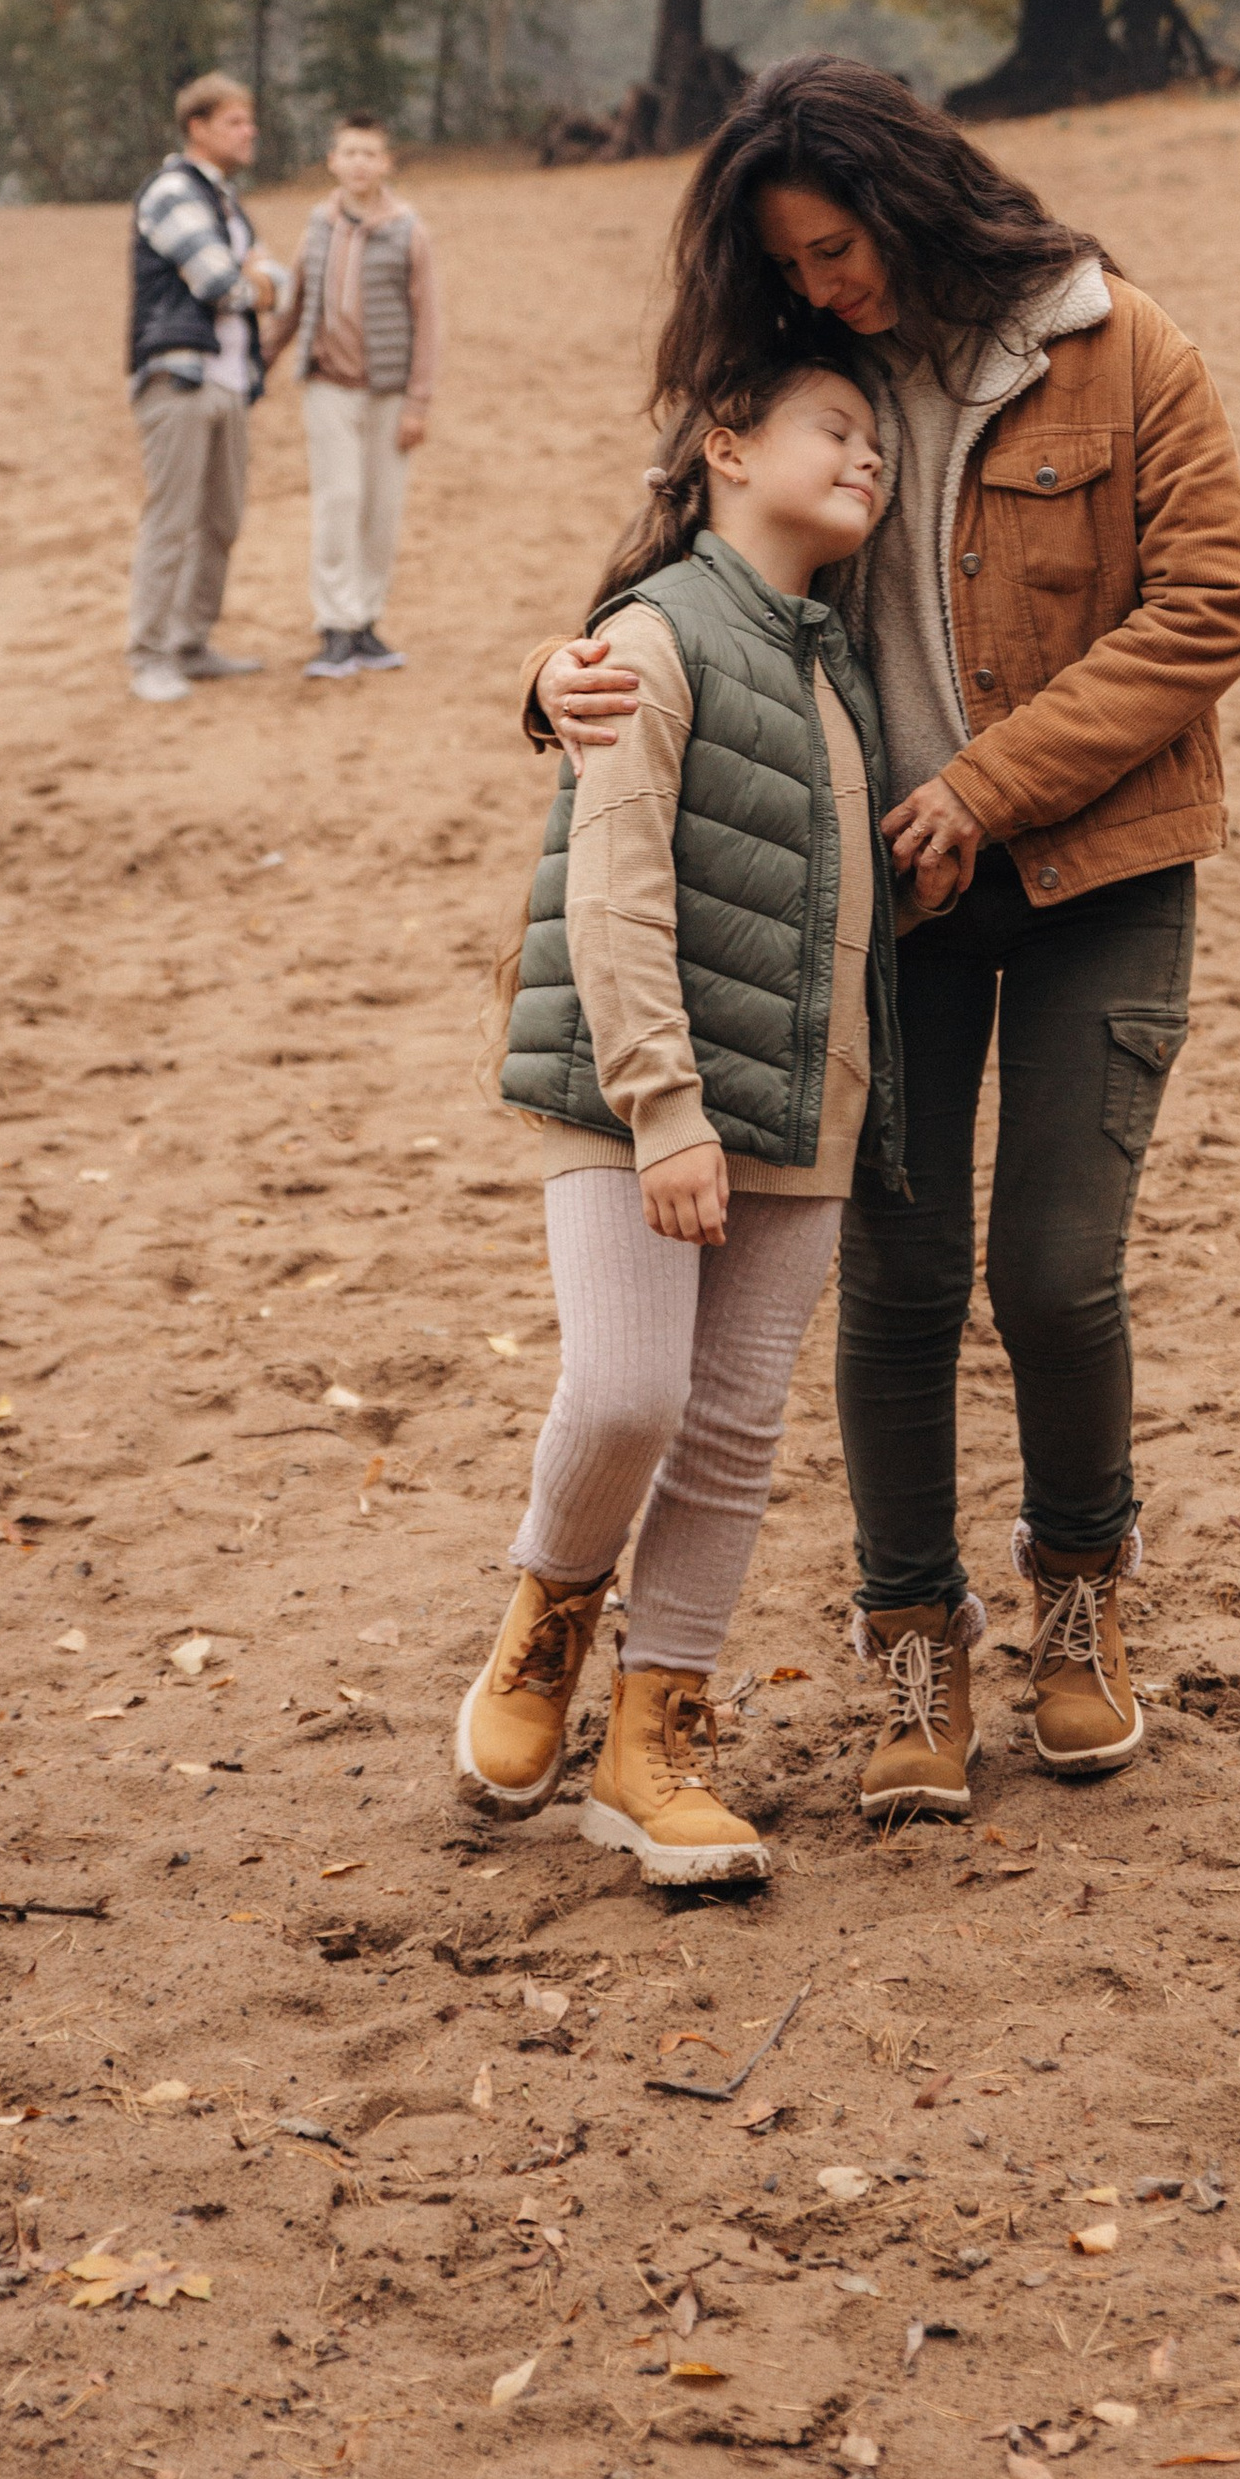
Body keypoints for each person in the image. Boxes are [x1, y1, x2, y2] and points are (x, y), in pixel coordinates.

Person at [529, 57, 1240, 1823]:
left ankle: (1079, 1601)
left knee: (1056, 1271)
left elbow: (1218, 605)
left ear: (916, 194)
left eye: (844, 249)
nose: (830, 290)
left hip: (1101, 871)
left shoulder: (1124, 346)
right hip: (877, 903)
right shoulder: (797, 380)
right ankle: (911, 1640)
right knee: (904, 1284)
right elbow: (672, 576)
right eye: (797, 269)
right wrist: (551, 681)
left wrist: (996, 784)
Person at [468, 344, 921, 1886]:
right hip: (631, 1090)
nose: (868, 459)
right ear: (726, 446)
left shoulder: (840, 651)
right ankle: (550, 1609)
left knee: (730, 1431)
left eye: (882, 442)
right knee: (623, 1398)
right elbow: (612, 886)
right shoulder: (655, 636)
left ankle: (651, 1741)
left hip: (811, 1101)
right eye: (835, 430)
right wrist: (665, 1111)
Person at [262, 113, 441, 681]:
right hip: (328, 386)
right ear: (333, 162)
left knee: (381, 508)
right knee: (338, 501)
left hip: (387, 391)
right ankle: (334, 626)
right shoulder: (317, 226)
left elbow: (428, 320)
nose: (359, 162)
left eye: (370, 153)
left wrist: (418, 402)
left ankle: (366, 619)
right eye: (349, 153)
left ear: (385, 163)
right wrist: (261, 359)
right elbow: (294, 302)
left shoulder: (409, 231)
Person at [126, 73, 282, 706]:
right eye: (234, 122)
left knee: (221, 519)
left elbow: (280, 279)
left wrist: (262, 280)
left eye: (249, 121)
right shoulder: (171, 192)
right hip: (180, 379)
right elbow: (226, 285)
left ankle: (190, 644)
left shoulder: (223, 200)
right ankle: (149, 655)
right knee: (172, 521)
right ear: (197, 127)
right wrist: (258, 282)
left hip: (229, 381)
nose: (249, 132)